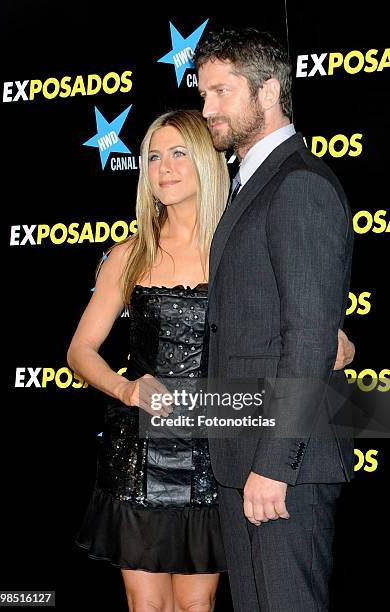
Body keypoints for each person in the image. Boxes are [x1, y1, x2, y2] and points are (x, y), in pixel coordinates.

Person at [67, 108, 354, 610]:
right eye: (153, 157)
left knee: (198, 606)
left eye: (178, 153)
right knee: (146, 605)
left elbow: (312, 330)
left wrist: (340, 344)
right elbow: (80, 351)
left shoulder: (239, 247)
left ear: (205, 158)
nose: (164, 168)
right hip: (142, 452)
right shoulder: (128, 254)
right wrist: (126, 388)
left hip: (219, 446)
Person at [195, 27, 355, 611]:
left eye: (220, 92)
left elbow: (310, 338)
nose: (206, 107)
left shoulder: (299, 184)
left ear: (267, 91)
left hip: (280, 466)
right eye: (202, 91)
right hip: (245, 458)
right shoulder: (253, 184)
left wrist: (274, 464)